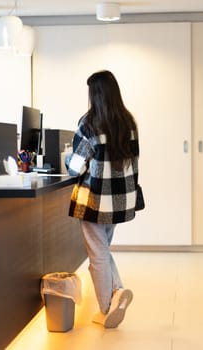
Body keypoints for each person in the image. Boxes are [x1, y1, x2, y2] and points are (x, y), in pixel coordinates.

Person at [65, 70, 140, 328]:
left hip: (94, 201)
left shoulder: (88, 124)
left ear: (95, 95)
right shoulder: (128, 123)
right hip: (120, 200)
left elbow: (76, 167)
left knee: (97, 255)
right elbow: (134, 164)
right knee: (102, 250)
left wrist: (66, 158)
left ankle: (107, 309)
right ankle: (117, 292)